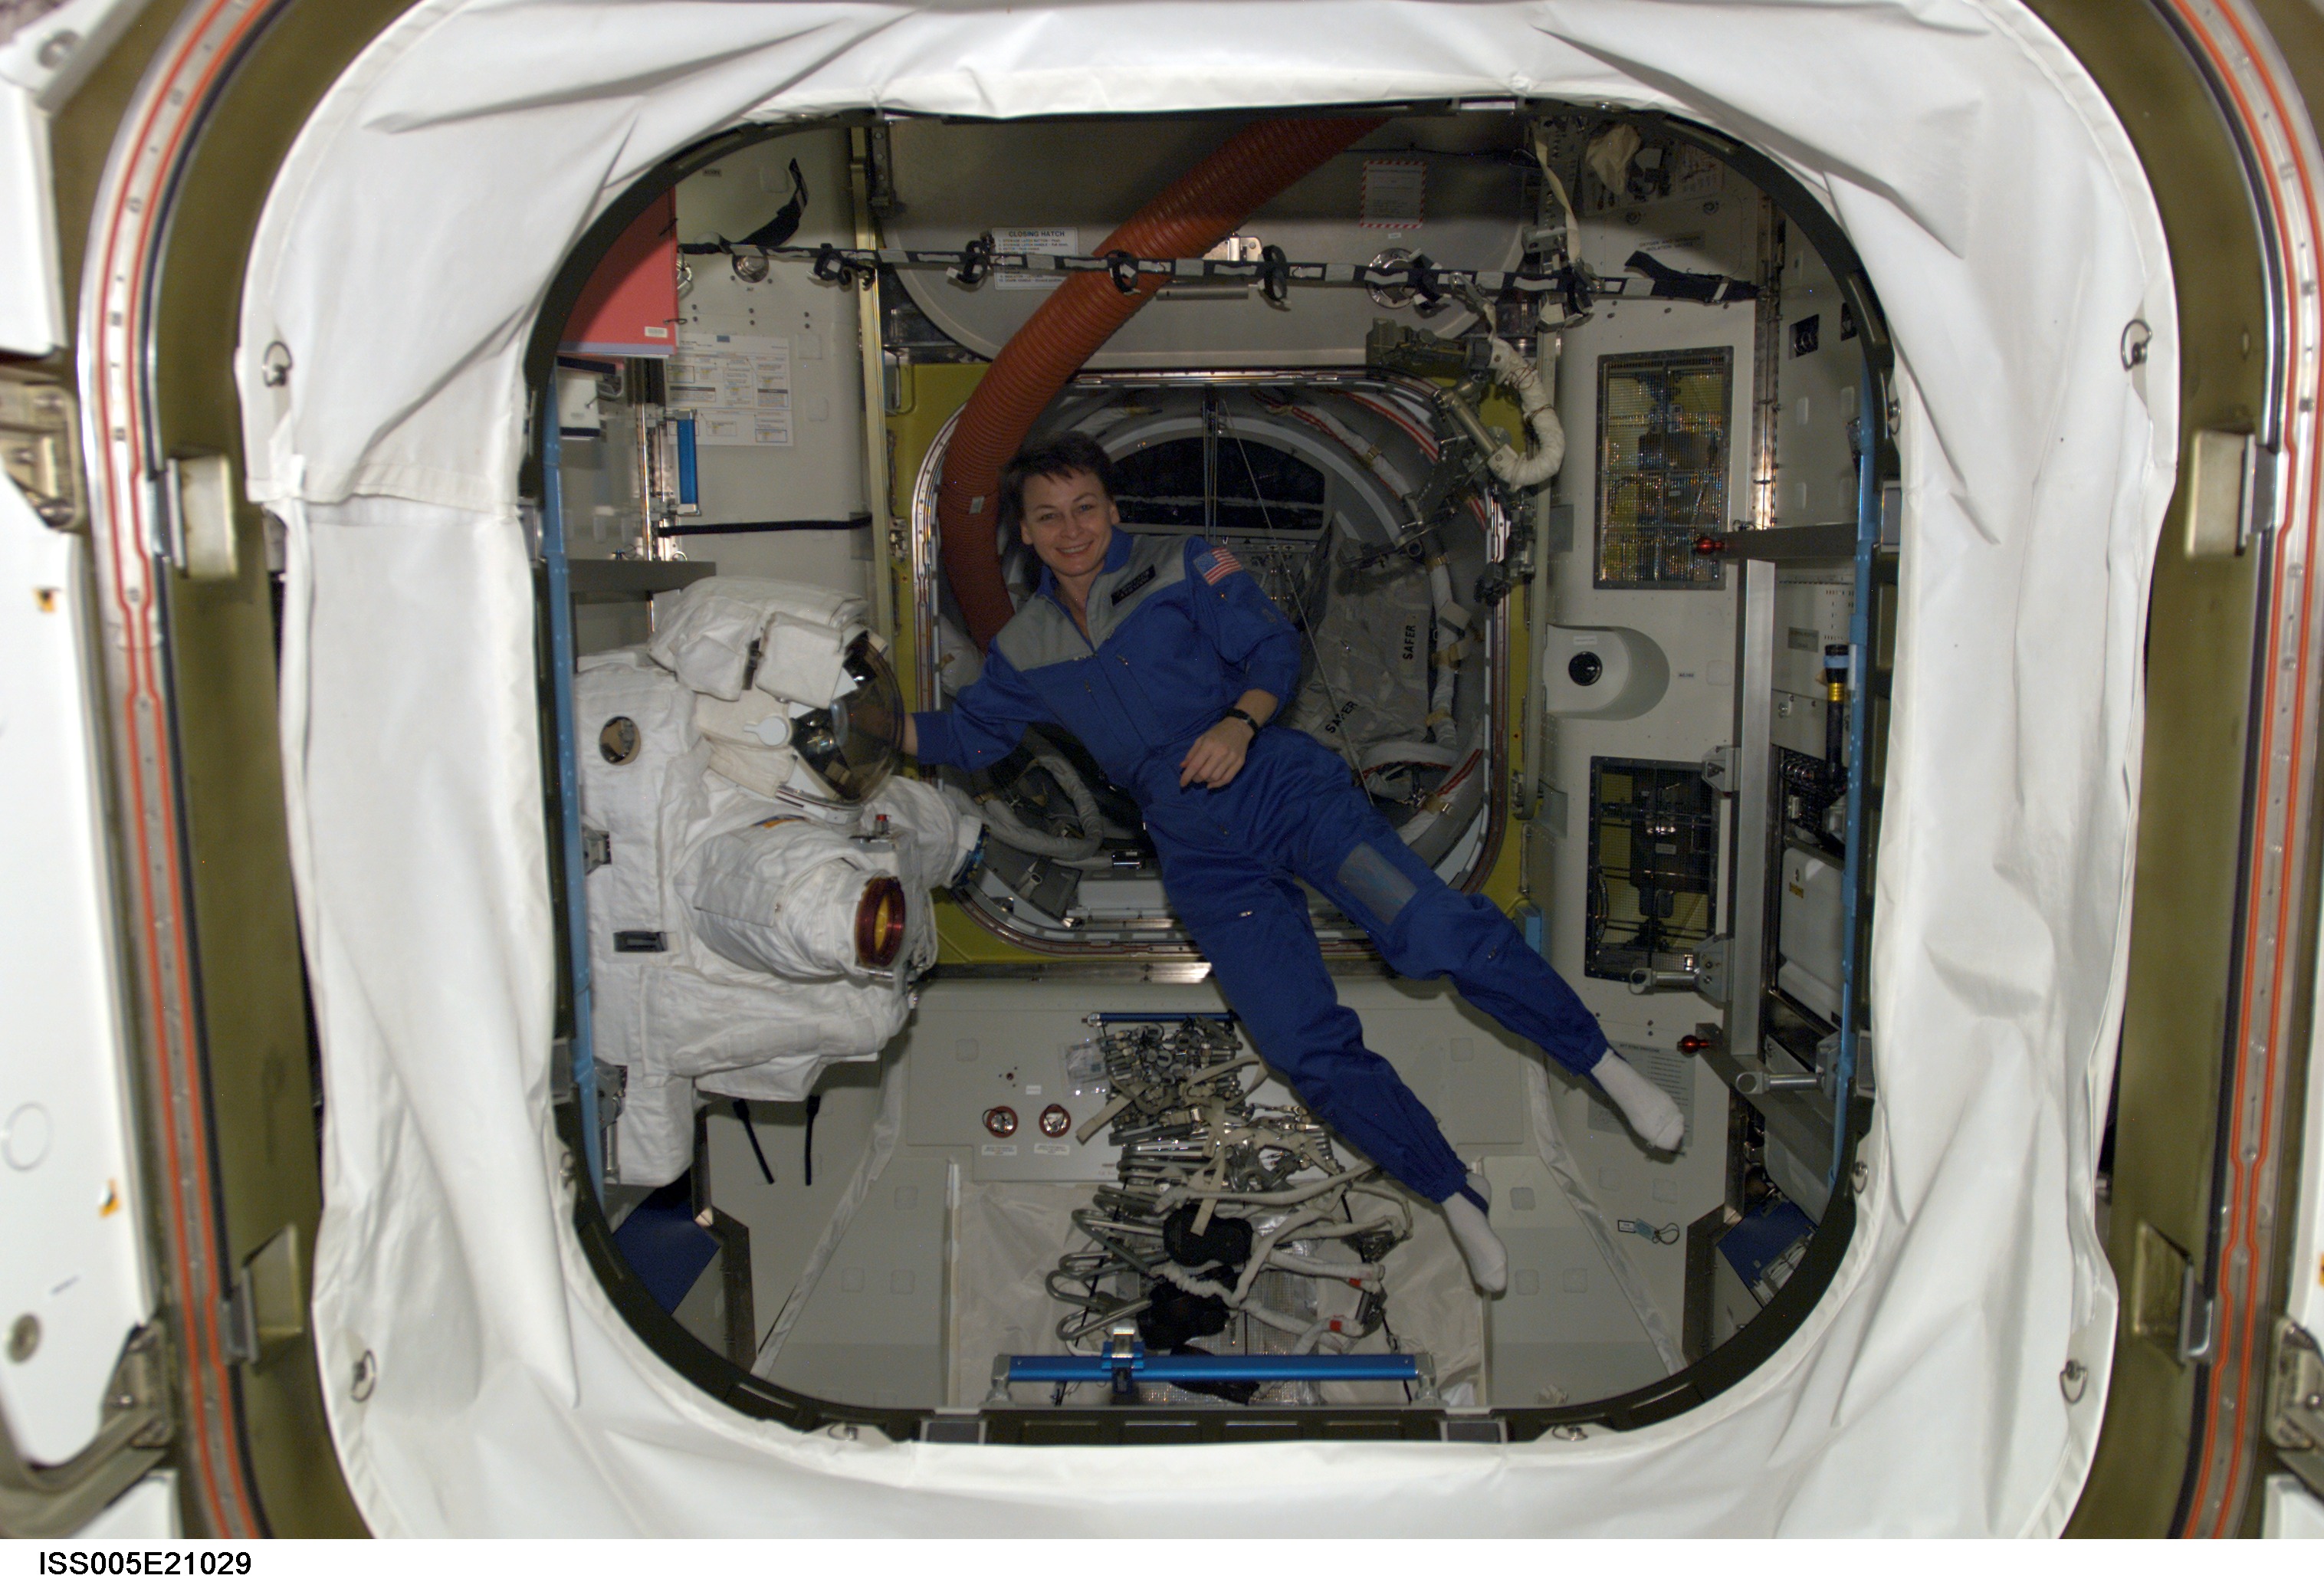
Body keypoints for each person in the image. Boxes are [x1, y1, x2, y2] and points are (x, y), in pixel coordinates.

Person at [901, 433, 1683, 1293]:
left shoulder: (1182, 564)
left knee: (1427, 928)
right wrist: (869, 730)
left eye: (1085, 507)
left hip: (1281, 790)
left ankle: (1601, 1064)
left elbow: (1272, 646)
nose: (1072, 529)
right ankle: (1452, 1194)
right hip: (1198, 855)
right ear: (1023, 531)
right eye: (1047, 517)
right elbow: (969, 734)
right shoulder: (1027, 645)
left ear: (1112, 509)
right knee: (1298, 1044)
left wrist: (1238, 723)